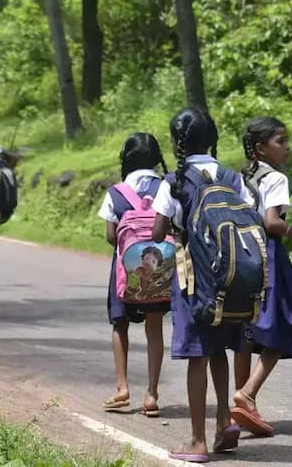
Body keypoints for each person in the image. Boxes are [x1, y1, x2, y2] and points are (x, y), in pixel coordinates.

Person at [152, 107, 252, 463]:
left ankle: (197, 440)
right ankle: (224, 421)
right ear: (212, 139)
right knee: (220, 350)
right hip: (231, 278)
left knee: (197, 355)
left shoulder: (174, 181)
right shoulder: (231, 176)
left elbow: (158, 232)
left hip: (194, 279)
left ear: (177, 142)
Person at [231, 117, 292, 436]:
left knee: (245, 330)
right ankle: (248, 393)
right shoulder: (276, 179)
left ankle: (237, 406)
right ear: (260, 149)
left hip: (241, 257)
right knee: (281, 325)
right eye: (280, 141)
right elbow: (272, 222)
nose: (287, 147)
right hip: (269, 257)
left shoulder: (238, 178)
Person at [98, 133, 170, 417]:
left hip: (124, 271)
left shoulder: (116, 192)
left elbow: (111, 237)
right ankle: (151, 394)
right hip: (160, 272)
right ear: (156, 159)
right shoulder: (166, 186)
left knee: (120, 325)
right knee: (154, 327)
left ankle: (122, 388)